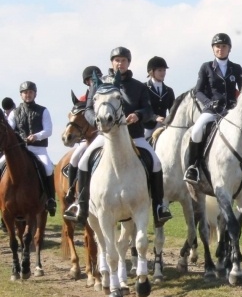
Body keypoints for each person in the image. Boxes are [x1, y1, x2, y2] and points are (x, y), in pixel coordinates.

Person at [64, 47, 172, 226]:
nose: (120, 63)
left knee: (156, 163)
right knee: (82, 162)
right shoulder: (98, 84)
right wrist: (96, 120)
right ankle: (80, 205)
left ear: (128, 63)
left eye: (123, 60)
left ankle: (159, 207)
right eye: (117, 60)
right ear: (111, 62)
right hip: (106, 136)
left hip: (134, 136)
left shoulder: (139, 86)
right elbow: (88, 110)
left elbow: (148, 110)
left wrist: (138, 115)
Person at [184, 33, 242, 183]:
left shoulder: (236, 68)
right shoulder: (206, 67)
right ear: (213, 49)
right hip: (213, 109)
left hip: (232, 111)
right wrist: (208, 102)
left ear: (229, 49)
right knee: (197, 130)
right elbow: (198, 91)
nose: (220, 49)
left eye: (224, 46)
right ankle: (193, 166)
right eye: (217, 46)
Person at [1, 82, 57, 216]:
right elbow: (9, 129)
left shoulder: (43, 110)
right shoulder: (14, 113)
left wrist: (36, 136)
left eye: (30, 92)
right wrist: (19, 138)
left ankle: (50, 200)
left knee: (48, 168)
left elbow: (48, 130)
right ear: (21, 95)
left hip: (38, 149)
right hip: (20, 150)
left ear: (35, 94)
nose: (28, 95)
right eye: (25, 92)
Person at [64, 66, 101, 204]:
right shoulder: (82, 99)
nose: (93, 81)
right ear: (86, 82)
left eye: (96, 78)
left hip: (103, 135)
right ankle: (71, 190)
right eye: (90, 80)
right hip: (88, 138)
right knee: (74, 158)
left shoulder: (105, 93)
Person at [143, 56, 175, 139]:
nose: (163, 73)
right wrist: (155, 117)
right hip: (147, 126)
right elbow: (142, 108)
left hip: (163, 125)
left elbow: (173, 110)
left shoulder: (169, 91)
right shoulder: (143, 88)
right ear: (151, 72)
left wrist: (169, 120)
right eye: (159, 70)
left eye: (164, 70)